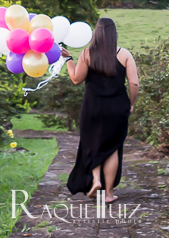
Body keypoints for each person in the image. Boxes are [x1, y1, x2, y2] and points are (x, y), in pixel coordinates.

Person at [60, 17, 140, 203]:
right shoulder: (124, 54)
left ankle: (96, 180)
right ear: (114, 33)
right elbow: (134, 83)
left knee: (91, 143)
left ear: (97, 33)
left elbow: (76, 79)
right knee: (112, 148)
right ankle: (109, 194)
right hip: (117, 107)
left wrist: (69, 60)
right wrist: (132, 103)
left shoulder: (87, 54)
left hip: (92, 106)